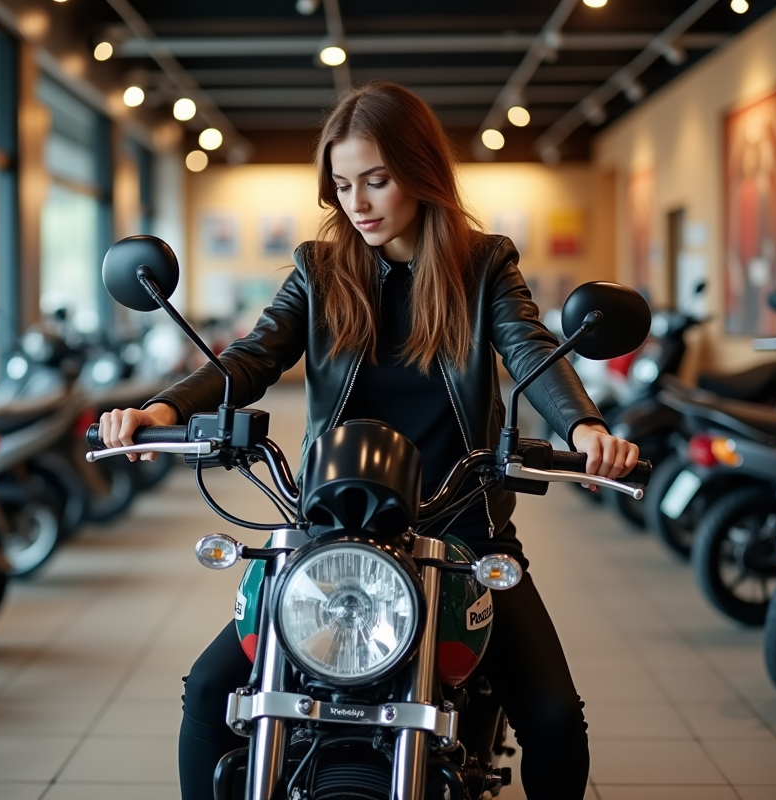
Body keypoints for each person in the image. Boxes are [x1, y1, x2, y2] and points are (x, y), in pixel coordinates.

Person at [98, 82, 640, 800]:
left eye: (377, 180)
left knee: (552, 716)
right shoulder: (320, 271)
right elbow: (254, 357)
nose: (358, 202)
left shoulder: (483, 267)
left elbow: (529, 348)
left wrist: (584, 425)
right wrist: (165, 409)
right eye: (344, 184)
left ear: (421, 173)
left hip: (460, 531)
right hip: (331, 534)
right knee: (208, 692)